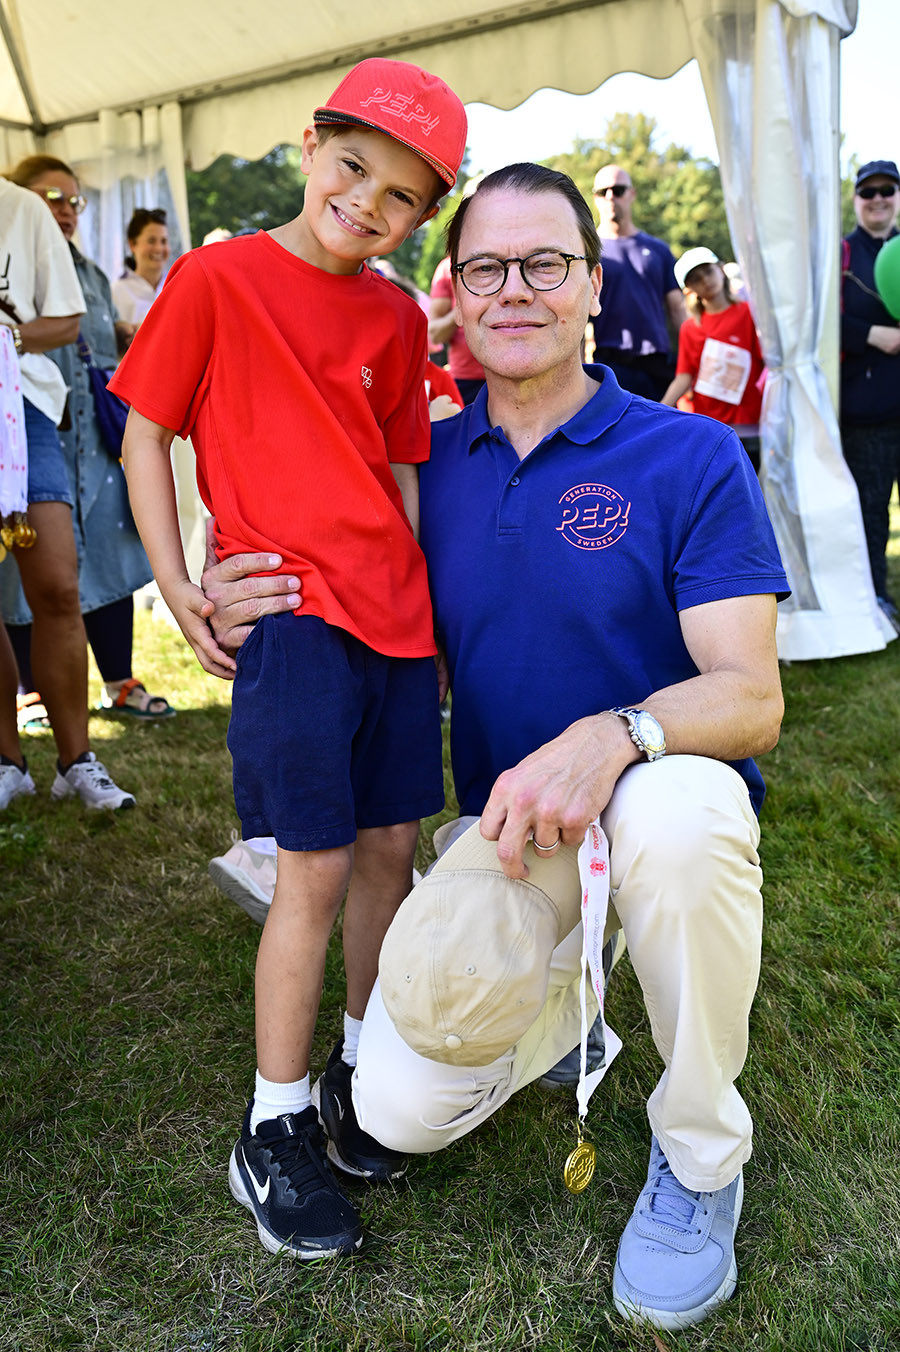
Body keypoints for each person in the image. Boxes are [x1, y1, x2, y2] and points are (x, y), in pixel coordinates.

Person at [202, 162, 787, 1331]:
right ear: (453, 296)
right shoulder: (421, 466)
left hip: (661, 793)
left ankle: (701, 1153)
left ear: (591, 287)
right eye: (485, 267)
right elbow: (330, 563)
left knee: (676, 820)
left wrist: (613, 737)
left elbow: (751, 695)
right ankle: (578, 998)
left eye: (544, 264)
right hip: (516, 832)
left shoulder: (688, 456)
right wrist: (229, 592)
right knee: (397, 1105)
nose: (514, 288)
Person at [110, 58, 467, 1262]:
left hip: (396, 623)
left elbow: (403, 466)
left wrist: (431, 616)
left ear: (423, 218)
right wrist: (178, 584)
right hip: (297, 619)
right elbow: (146, 434)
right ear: (311, 143)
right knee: (309, 872)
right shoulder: (217, 277)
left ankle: (360, 1076)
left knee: (389, 856)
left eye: (404, 196)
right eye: (355, 166)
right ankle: (271, 1127)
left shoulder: (399, 313)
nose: (368, 203)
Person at [1, 155, 174, 726]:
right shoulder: (15, 257)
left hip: (95, 441)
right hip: (29, 437)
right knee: (29, 562)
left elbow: (97, 351)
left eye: (74, 200)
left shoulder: (93, 274)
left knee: (108, 553)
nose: (65, 210)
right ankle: (32, 691)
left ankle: (119, 680)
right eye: (50, 196)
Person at [0, 175, 135, 812]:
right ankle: (8, 763)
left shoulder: (21, 208)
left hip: (20, 405)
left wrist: (8, 340)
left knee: (56, 583)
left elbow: (67, 318)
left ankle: (75, 759)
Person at [840, 158, 900, 632]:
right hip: (867, 413)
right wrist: (869, 335)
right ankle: (876, 603)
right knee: (871, 515)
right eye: (868, 191)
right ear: (856, 198)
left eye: (887, 190)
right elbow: (813, 325)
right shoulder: (839, 256)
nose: (878, 198)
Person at [661, 246, 765, 470]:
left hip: (749, 422)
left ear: (720, 269)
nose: (705, 281)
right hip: (708, 426)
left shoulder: (750, 313)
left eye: (708, 271)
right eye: (696, 279)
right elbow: (683, 377)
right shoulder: (690, 328)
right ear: (689, 289)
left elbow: (769, 362)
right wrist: (660, 411)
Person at [589, 165, 686, 400]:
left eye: (618, 189)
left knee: (661, 436)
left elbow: (677, 309)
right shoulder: (587, 254)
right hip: (609, 365)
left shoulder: (658, 250)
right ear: (595, 198)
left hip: (658, 366)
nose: (611, 196)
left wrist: (688, 365)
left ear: (631, 194)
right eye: (604, 191)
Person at [428, 255, 485, 404]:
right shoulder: (447, 268)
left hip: (520, 375)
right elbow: (435, 335)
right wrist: (462, 307)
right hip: (466, 379)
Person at [111, 208, 170, 327]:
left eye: (163, 241)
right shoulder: (117, 292)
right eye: (151, 241)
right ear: (132, 244)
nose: (159, 248)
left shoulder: (175, 287)